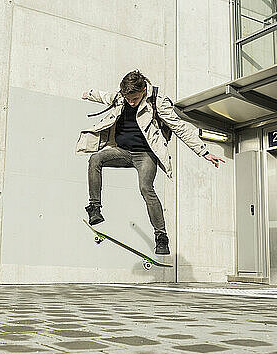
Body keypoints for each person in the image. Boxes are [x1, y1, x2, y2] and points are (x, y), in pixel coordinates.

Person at [78, 70, 224, 255]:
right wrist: (88, 94)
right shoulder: (121, 97)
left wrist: (204, 152)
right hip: (122, 151)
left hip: (145, 155)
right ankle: (95, 208)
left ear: (144, 90)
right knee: (95, 159)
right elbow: (104, 96)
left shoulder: (158, 102)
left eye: (135, 99)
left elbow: (180, 128)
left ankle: (161, 236)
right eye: (128, 99)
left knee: (146, 188)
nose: (131, 103)